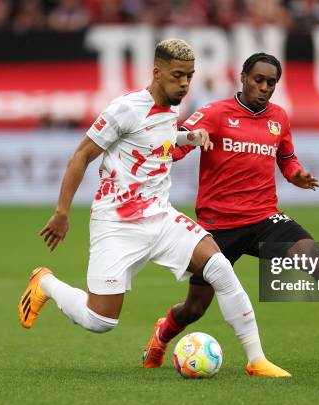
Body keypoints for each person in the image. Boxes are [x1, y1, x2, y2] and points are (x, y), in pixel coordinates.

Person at [17, 40, 290, 378]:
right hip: (117, 223)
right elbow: (81, 156)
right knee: (100, 321)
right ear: (156, 73)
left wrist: (187, 139)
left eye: (190, 76)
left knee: (219, 267)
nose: (185, 84)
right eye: (178, 76)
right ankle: (46, 283)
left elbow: (154, 140)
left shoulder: (171, 107)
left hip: (161, 216)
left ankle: (256, 360)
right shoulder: (126, 108)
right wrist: (62, 211)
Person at [141, 52, 319, 369]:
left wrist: (296, 174)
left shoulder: (279, 118)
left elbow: (287, 158)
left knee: (308, 252)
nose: (264, 87)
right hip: (218, 226)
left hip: (264, 217)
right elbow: (176, 146)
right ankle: (162, 335)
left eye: (271, 83)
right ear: (244, 78)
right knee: (194, 309)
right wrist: (173, 147)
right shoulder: (215, 113)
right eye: (258, 80)